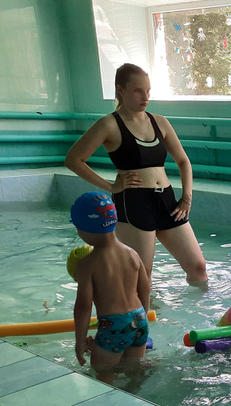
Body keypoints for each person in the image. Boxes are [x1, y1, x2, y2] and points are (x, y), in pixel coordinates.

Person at [64, 63, 207, 288]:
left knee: (198, 267)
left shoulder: (159, 121)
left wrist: (186, 197)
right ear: (121, 90)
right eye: (138, 91)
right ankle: (144, 311)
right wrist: (111, 187)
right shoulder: (108, 124)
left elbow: (183, 161)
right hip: (134, 203)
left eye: (148, 91)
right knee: (142, 275)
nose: (145, 97)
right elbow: (73, 160)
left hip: (167, 201)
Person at [70, 192, 150, 384]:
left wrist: (80, 342)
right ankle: (135, 394)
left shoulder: (87, 264)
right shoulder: (132, 253)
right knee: (134, 369)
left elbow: (83, 306)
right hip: (140, 319)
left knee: (102, 373)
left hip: (113, 325)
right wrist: (141, 319)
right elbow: (145, 289)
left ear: (85, 228)